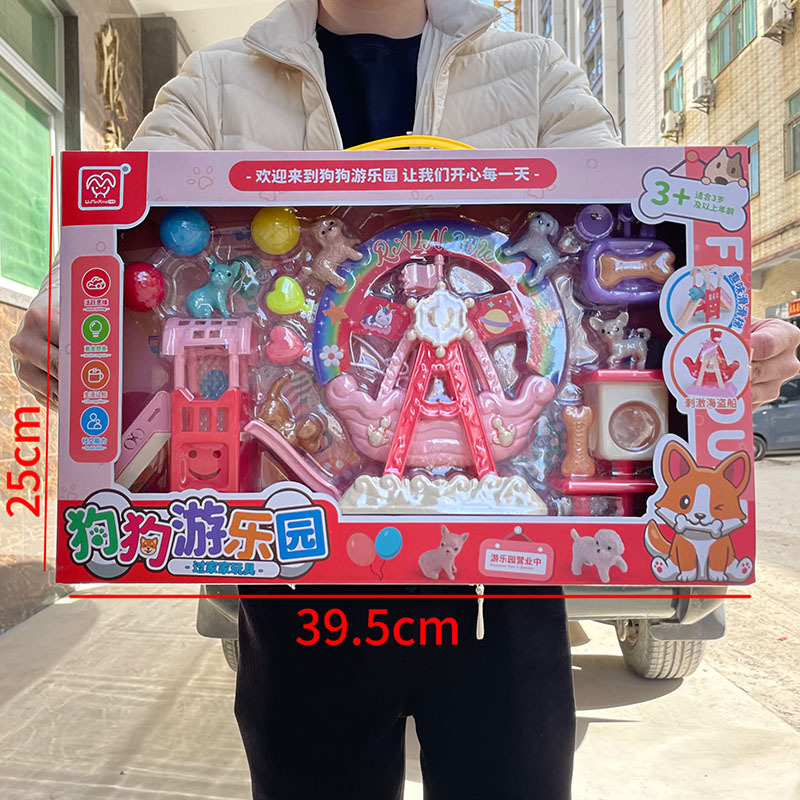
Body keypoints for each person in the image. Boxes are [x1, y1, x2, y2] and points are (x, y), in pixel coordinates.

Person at [9, 1, 800, 798]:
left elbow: (643, 238)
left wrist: (722, 351)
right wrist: (69, 317)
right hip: (300, 586)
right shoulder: (213, 85)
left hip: (502, 596)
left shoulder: (534, 74)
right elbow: (112, 236)